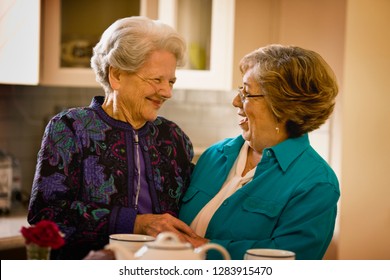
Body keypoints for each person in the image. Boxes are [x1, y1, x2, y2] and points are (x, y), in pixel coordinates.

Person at [28, 16, 197, 259]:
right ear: (116, 75)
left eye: (171, 81)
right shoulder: (71, 129)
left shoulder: (173, 138)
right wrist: (135, 223)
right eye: (156, 80)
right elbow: (45, 216)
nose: (167, 92)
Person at [179, 44, 340, 260]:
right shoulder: (214, 155)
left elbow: (292, 261)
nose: (236, 101)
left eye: (247, 93)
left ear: (283, 106)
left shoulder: (317, 183)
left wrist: (204, 248)